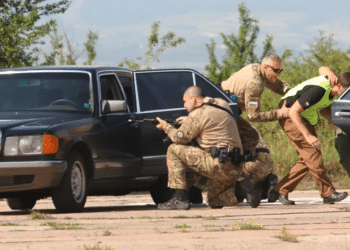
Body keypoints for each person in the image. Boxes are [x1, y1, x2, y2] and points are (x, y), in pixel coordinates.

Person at [155, 86, 260, 210]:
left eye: (185, 101)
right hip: (235, 165)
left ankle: (179, 198)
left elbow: (180, 138)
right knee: (214, 201)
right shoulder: (222, 103)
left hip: (217, 163)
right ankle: (241, 189)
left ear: (193, 99)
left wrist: (166, 127)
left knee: (173, 149)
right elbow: (211, 119)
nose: (184, 105)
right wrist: (190, 120)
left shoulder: (197, 114)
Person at [220, 54, 290, 201]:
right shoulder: (255, 84)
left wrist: (290, 91)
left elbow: (273, 82)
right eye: (277, 71)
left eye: (280, 71)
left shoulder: (256, 68)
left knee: (248, 140)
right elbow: (254, 116)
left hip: (224, 107)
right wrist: (280, 113)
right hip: (223, 114)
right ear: (266, 67)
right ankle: (242, 179)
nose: (279, 74)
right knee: (250, 138)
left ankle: (249, 181)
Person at [275, 71, 350, 205]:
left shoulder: (333, 93)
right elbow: (293, 112)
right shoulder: (318, 90)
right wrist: (308, 136)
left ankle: (280, 189)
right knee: (313, 154)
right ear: (339, 85)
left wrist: (336, 124)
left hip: (302, 117)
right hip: (290, 116)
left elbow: (323, 108)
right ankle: (328, 193)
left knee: (308, 159)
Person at [319, 66, 350, 177]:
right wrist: (330, 73)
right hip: (342, 131)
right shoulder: (335, 84)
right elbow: (322, 68)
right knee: (344, 158)